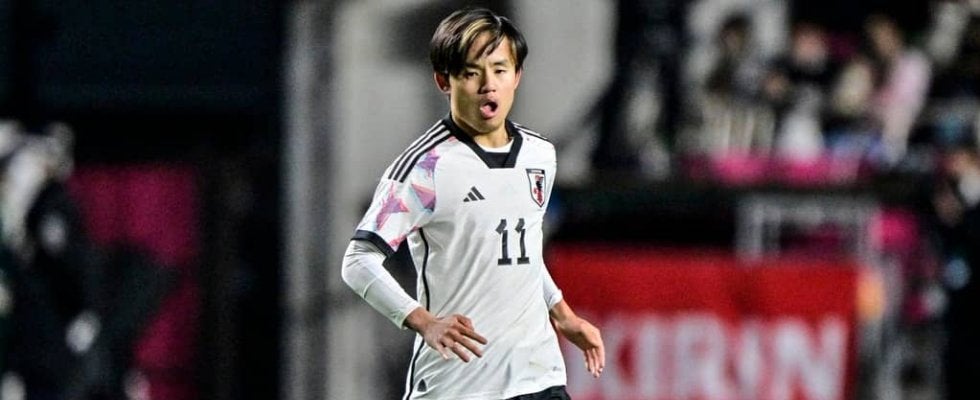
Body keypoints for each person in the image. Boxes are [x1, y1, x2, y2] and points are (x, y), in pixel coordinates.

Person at [341, 7, 604, 400]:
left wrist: (563, 315)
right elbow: (358, 261)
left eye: (500, 70)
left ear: (517, 75)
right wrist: (424, 322)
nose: (488, 85)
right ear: (443, 80)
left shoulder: (539, 156)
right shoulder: (425, 168)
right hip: (461, 385)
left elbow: (521, 253)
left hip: (538, 378)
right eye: (470, 72)